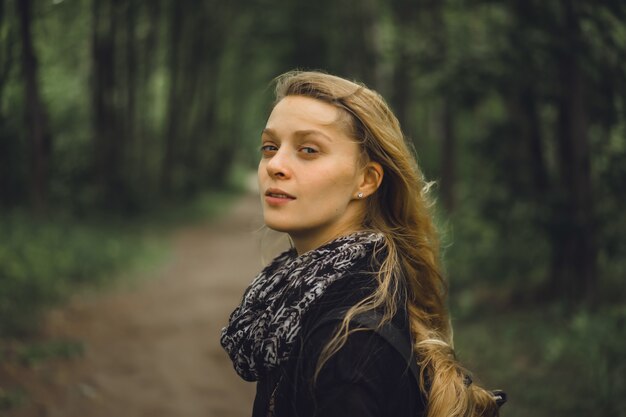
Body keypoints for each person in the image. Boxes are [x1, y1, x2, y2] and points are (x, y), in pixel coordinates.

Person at [221, 70, 505, 417]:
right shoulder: (308, 293)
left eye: (308, 150)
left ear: (367, 179)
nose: (275, 165)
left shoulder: (348, 343)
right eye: (270, 147)